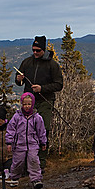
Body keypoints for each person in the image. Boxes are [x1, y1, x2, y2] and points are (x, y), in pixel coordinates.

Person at [15, 36, 63, 164]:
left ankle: (41, 161)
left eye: (38, 50)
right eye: (33, 50)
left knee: (43, 129)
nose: (35, 53)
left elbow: (59, 85)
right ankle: (27, 161)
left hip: (45, 101)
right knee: (26, 130)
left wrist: (42, 88)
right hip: (28, 103)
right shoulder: (27, 62)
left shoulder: (52, 65)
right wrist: (19, 79)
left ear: (43, 49)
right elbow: (18, 81)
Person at [4, 92, 46, 189]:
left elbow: (41, 131)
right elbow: (11, 129)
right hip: (19, 144)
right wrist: (9, 142)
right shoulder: (17, 117)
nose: (27, 106)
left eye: (29, 104)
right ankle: (14, 178)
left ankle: (36, 180)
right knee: (18, 162)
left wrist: (43, 142)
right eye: (24, 104)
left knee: (33, 161)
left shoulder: (37, 118)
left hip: (33, 144)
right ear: (21, 104)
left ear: (32, 104)